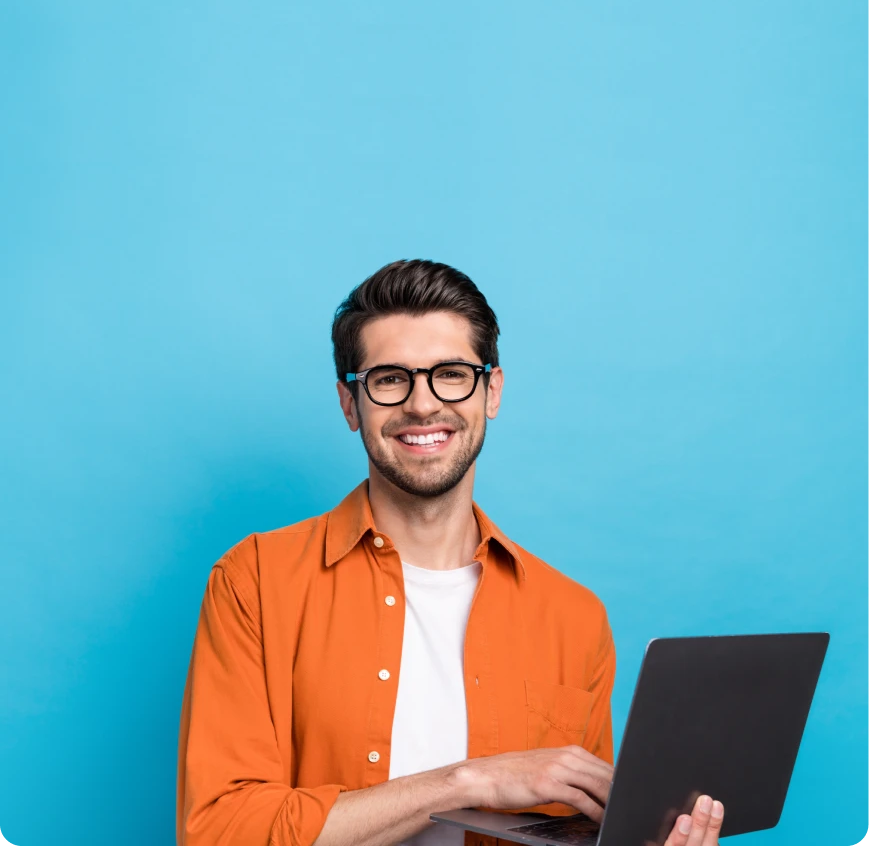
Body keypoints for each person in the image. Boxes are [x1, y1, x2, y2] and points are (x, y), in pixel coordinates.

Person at [177, 259, 724, 846]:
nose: (422, 405)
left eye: (452, 374)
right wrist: (466, 783)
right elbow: (218, 832)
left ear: (491, 391)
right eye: (389, 378)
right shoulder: (254, 582)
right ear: (348, 404)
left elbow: (582, 833)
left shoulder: (576, 619)